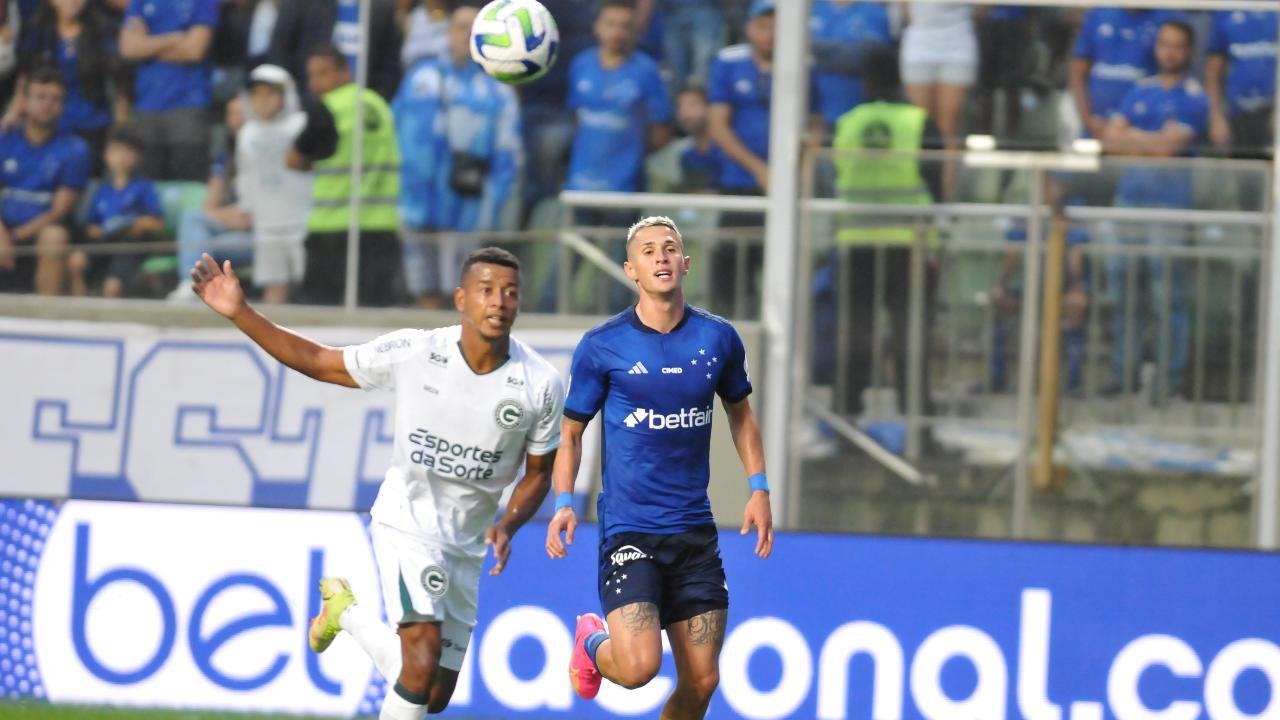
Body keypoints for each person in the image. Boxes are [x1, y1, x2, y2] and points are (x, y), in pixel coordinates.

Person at [188, 245, 563, 720]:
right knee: (421, 656)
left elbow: (538, 474)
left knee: (433, 694)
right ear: (461, 299)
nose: (499, 302)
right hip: (407, 522)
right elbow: (319, 360)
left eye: (510, 293)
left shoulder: (541, 383)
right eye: (486, 290)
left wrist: (509, 524)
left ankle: (344, 611)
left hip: (467, 544)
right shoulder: (416, 352)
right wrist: (241, 313)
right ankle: (348, 613)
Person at [546, 215, 774, 718]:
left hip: (695, 532)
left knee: (703, 679)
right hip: (631, 532)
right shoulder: (603, 346)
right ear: (631, 269)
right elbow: (571, 431)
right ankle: (590, 643)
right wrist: (564, 502)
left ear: (686, 263)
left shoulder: (718, 340)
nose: (661, 257)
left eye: (670, 248)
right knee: (637, 669)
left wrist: (758, 488)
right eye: (648, 251)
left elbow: (741, 415)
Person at [829, 45, 941, 417]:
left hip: (856, 244)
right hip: (909, 247)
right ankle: (916, 422)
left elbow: (837, 176)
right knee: (911, 338)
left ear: (865, 80)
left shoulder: (846, 123)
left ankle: (845, 417)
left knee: (854, 335)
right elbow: (937, 185)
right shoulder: (918, 122)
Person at [1101, 18, 1208, 400]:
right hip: (1129, 200)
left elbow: (1168, 149)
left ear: (1189, 51)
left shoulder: (1195, 96)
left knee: (1168, 297)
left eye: (1178, 45)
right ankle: (1123, 374)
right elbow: (1109, 141)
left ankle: (1168, 381)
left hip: (1169, 206)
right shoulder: (1138, 89)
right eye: (1164, 44)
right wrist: (1149, 139)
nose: (1170, 52)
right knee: (1125, 293)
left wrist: (1134, 139)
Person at [393, 3, 521, 308]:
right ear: (449, 32)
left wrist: (492, 200)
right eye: (462, 27)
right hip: (418, 201)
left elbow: (509, 155)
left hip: (468, 207)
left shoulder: (497, 91)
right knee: (423, 284)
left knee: (464, 288)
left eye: (476, 30)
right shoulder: (420, 78)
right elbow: (396, 129)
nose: (467, 36)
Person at [299, 43, 402, 307]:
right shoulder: (378, 105)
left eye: (323, 73)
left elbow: (295, 157)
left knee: (323, 322)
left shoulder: (329, 109)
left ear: (345, 72)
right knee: (376, 320)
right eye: (311, 75)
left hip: (333, 229)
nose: (315, 83)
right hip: (381, 227)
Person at [0, 67, 89, 295]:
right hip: (4, 225)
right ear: (24, 101)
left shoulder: (75, 149)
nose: (47, 104)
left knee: (54, 237)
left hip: (44, 228)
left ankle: (47, 314)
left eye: (55, 99)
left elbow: (59, 210)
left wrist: (15, 237)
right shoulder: (6, 139)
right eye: (40, 97)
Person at [236, 63, 314, 304]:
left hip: (303, 221)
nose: (263, 101)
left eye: (270, 93)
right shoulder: (247, 134)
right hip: (267, 224)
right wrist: (247, 207)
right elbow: (245, 174)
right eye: (256, 94)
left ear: (286, 94)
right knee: (273, 286)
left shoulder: (301, 125)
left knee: (307, 285)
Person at [10, 0, 116, 174]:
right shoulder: (38, 31)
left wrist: (118, 124)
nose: (73, 2)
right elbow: (26, 72)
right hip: (49, 120)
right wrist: (16, 107)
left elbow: (117, 82)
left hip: (91, 122)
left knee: (87, 179)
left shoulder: (100, 30)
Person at [118, 0, 219, 181]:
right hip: (147, 106)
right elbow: (128, 48)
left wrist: (146, 45)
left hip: (189, 104)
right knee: (147, 186)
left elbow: (194, 51)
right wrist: (173, 39)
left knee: (188, 186)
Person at [169, 97, 254, 301]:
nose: (235, 120)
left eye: (240, 113)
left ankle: (195, 289)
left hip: (261, 239)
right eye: (231, 114)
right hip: (230, 232)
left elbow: (253, 217)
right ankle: (189, 287)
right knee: (193, 219)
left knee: (201, 245)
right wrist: (232, 216)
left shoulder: (268, 155)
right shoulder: (226, 158)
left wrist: (237, 216)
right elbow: (209, 209)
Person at [67, 123, 164, 298]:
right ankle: (79, 313)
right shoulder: (102, 190)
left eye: (128, 151)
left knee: (112, 286)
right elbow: (91, 226)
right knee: (76, 261)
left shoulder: (144, 187)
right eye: (116, 151)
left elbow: (156, 223)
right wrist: (98, 230)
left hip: (130, 245)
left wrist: (137, 224)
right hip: (105, 242)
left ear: (138, 156)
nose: (121, 157)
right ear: (106, 155)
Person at [267, 0, 402, 101]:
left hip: (361, 110)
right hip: (309, 104)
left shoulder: (381, 7)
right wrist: (300, 99)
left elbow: (390, 67)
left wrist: (374, 101)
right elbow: (279, 52)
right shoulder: (300, 4)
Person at [1207, 8, 1276, 179]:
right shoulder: (1226, 12)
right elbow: (1213, 70)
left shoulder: (1275, 11)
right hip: (1239, 115)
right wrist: (1215, 118)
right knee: (1245, 183)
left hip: (1273, 113)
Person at [809, 0, 891, 132]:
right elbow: (797, 50)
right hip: (818, 117)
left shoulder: (875, 12)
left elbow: (872, 58)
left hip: (862, 116)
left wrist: (819, 54)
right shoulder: (812, 9)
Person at [635, 0, 722, 95]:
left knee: (704, 68)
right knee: (675, 72)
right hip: (672, 12)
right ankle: (679, 107)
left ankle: (700, 106)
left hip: (705, 8)